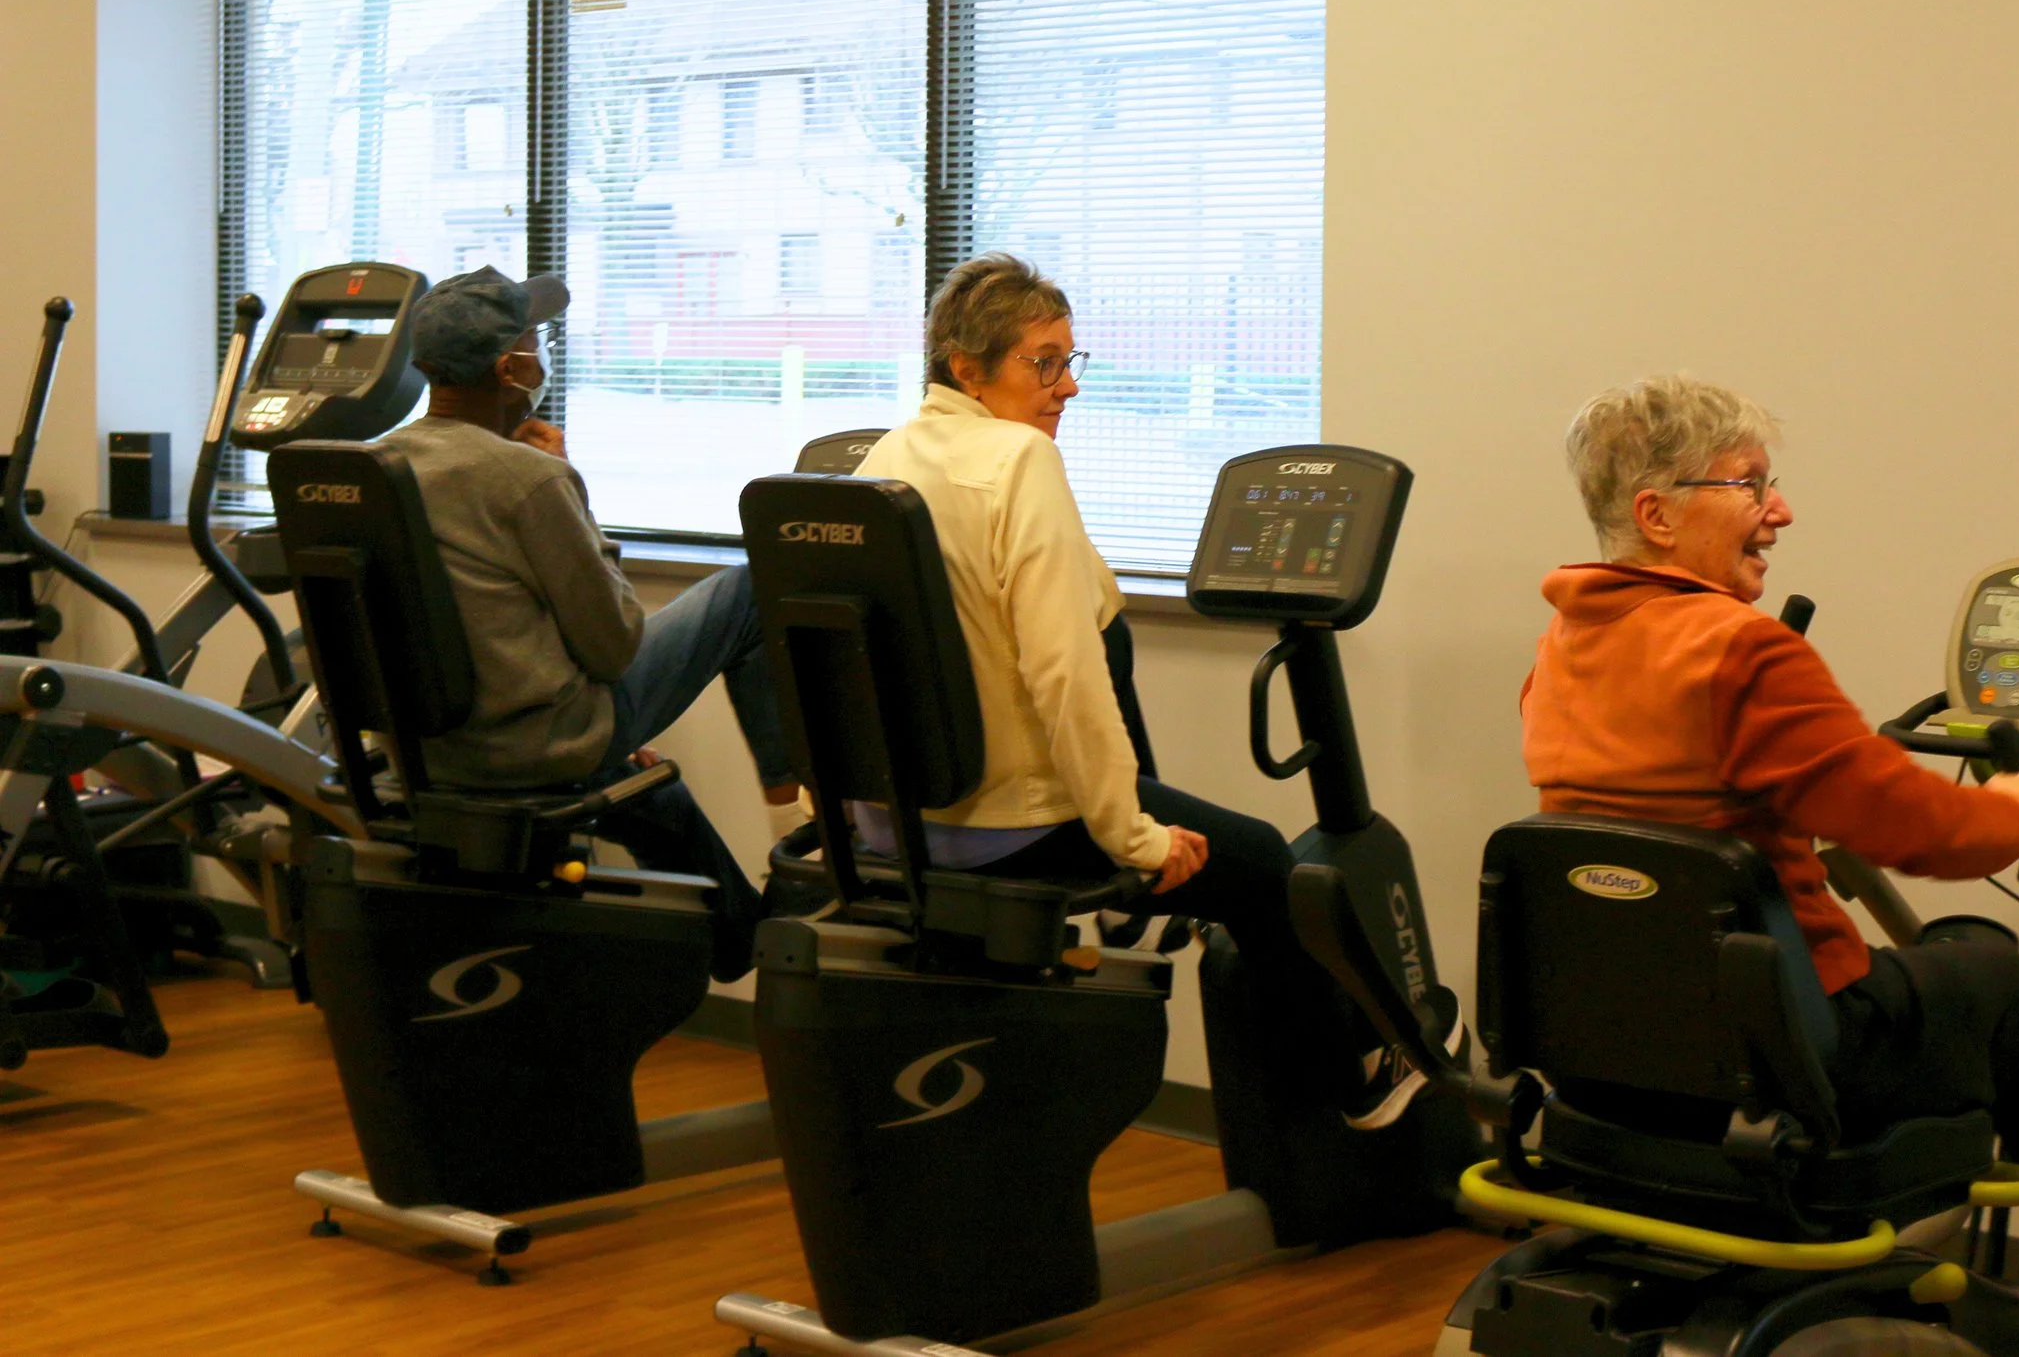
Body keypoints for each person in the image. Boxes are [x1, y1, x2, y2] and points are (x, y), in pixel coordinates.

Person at [1520, 372, 2019, 1280]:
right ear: (1657, 515)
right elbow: (1920, 831)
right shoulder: (1739, 648)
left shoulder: (1563, 643)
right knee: (2003, 985)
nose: (1780, 510)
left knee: (1962, 949)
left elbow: (1663, 807)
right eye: (1748, 484)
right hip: (1780, 1054)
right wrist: (2013, 811)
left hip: (1617, 1054)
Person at [854, 252, 1450, 1127]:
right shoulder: (1018, 460)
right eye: (1042, 363)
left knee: (1115, 642)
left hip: (896, 821)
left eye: (1069, 361)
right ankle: (1349, 1083)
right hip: (1009, 825)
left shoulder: (884, 457)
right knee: (1267, 867)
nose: (1067, 386)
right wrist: (1130, 836)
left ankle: (1155, 904)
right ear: (966, 369)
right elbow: (1064, 672)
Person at [383, 265, 797, 980]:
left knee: (653, 792)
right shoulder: (528, 478)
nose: (543, 353)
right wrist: (572, 494)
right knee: (756, 588)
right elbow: (615, 645)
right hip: (538, 744)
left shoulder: (376, 465)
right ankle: (796, 825)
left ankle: (742, 937)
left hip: (428, 751)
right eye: (535, 340)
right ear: (510, 368)